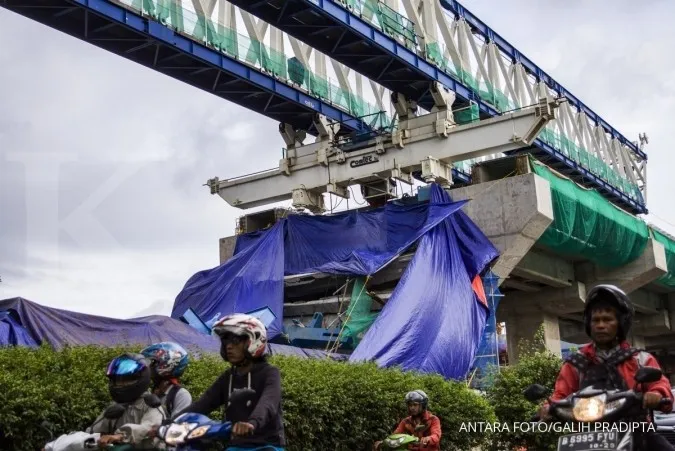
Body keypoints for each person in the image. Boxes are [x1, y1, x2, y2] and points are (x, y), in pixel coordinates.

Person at [538, 284, 675, 450]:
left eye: (608, 320)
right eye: (596, 320)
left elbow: (660, 384)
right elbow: (561, 394)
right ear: (588, 324)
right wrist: (549, 407)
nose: (601, 325)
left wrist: (656, 394)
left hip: (636, 431)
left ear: (621, 323)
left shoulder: (640, 359)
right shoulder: (576, 363)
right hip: (585, 437)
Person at [177, 313, 285, 451]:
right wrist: (170, 422)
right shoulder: (228, 377)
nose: (228, 346)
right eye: (225, 341)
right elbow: (202, 404)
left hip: (267, 446)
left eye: (235, 341)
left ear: (253, 340)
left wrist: (252, 423)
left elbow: (268, 402)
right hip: (235, 446)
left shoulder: (270, 373)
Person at [43, 353, 164, 451]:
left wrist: (119, 436)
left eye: (125, 380)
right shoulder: (116, 408)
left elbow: (149, 428)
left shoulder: (151, 404)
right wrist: (56, 446)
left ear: (140, 379)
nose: (120, 385)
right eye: (117, 381)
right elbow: (90, 434)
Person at [373, 390, 442, 450]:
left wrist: (428, 439)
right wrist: (384, 442)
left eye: (415, 405)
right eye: (410, 405)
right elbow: (395, 435)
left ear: (423, 405)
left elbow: (436, 435)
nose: (412, 408)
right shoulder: (406, 421)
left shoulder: (433, 419)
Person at [141, 341, 192, 419]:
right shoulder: (152, 389)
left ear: (167, 365)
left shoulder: (181, 395)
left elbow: (176, 427)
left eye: (153, 362)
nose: (148, 366)